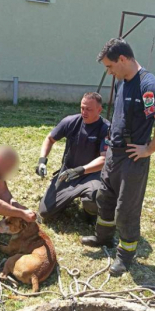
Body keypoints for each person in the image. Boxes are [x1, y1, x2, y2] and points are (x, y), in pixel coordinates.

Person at [82, 38, 155, 275]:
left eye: (109, 66)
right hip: (114, 153)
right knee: (105, 198)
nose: (109, 72)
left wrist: (149, 149)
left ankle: (125, 255)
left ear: (122, 59)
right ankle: (102, 238)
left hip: (133, 160)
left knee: (126, 210)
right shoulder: (122, 81)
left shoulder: (147, 85)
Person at [36, 92, 110, 222]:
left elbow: (104, 159)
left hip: (92, 175)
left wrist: (81, 170)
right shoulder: (70, 121)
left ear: (99, 110)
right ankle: (66, 199)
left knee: (95, 195)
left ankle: (90, 213)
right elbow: (50, 138)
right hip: (68, 173)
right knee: (45, 212)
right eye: (82, 108)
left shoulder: (106, 128)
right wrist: (42, 161)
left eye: (89, 109)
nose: (84, 112)